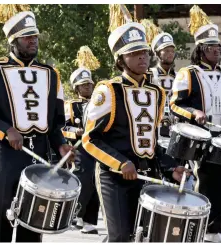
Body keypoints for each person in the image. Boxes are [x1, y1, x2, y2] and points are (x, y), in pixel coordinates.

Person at [82, 4, 187, 242]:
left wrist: (171, 168)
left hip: (147, 174)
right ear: (121, 60)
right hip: (114, 177)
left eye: (144, 52)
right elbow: (89, 140)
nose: (142, 57)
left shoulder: (157, 93)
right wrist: (120, 163)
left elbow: (151, 143)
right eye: (134, 53)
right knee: (120, 237)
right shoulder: (108, 90)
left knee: (146, 236)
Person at [0, 4, 74, 242]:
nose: (33, 41)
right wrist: (7, 130)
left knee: (34, 217)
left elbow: (55, 121)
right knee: (2, 214)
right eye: (26, 37)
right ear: (13, 41)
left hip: (38, 151)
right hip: (6, 152)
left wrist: (60, 146)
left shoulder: (51, 74)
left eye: (34, 36)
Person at [170, 5, 221, 243]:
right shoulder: (187, 73)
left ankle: (215, 230)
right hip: (200, 136)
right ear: (200, 50)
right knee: (206, 181)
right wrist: (194, 112)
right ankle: (203, 229)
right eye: (211, 47)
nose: (217, 51)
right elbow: (175, 104)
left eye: (218, 47)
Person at [63, 46, 100, 234]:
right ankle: (73, 214)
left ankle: (90, 221)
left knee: (96, 183)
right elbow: (62, 128)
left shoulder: (98, 104)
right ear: (76, 87)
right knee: (82, 181)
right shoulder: (70, 105)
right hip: (80, 149)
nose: (88, 87)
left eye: (90, 84)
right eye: (84, 85)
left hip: (97, 149)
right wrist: (74, 132)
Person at [148, 21, 177, 137]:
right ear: (157, 54)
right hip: (155, 128)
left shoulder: (179, 76)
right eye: (166, 50)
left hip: (175, 128)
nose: (170, 54)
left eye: (172, 50)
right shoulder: (149, 74)